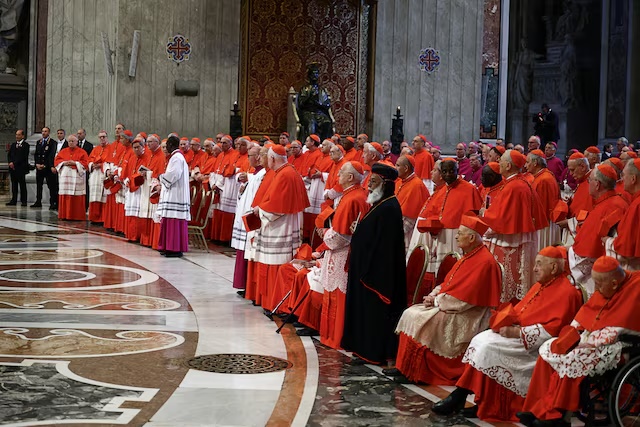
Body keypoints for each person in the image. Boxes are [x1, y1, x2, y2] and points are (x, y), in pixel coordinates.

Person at [433, 246, 583, 422]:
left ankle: (462, 397)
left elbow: (554, 331)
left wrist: (516, 332)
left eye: (539, 265)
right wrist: (503, 321)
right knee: (479, 340)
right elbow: (521, 312)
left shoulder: (568, 293)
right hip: (518, 337)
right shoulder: (538, 286)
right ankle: (479, 401)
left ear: (554, 268)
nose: (534, 269)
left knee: (488, 348)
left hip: (534, 347)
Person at [518, 256, 640, 427]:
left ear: (614, 284)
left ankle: (559, 417)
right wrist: (572, 333)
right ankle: (536, 408)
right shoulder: (607, 285)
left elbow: (623, 327)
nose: (595, 289)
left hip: (617, 345)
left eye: (598, 285)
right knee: (550, 349)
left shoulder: (636, 288)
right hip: (592, 339)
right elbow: (587, 313)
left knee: (574, 356)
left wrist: (588, 342)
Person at [389, 213, 502, 384]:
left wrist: (435, 301)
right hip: (450, 305)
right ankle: (405, 368)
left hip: (468, 313)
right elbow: (448, 283)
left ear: (471, 237)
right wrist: (433, 295)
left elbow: (466, 300)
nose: (456, 236)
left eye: (460, 233)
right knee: (411, 313)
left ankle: (419, 373)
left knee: (419, 318)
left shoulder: (485, 262)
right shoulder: (468, 256)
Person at [341, 163, 407, 365]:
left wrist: (359, 232)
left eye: (374, 182)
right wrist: (359, 229)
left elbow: (383, 246)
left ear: (386, 185)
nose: (369, 186)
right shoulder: (380, 204)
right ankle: (362, 349)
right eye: (370, 181)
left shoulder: (389, 208)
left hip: (377, 276)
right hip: (365, 269)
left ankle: (372, 352)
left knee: (373, 314)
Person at [313, 161, 369, 344]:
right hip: (339, 254)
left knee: (338, 298)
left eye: (341, 173)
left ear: (351, 177)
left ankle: (335, 337)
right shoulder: (351, 195)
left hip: (342, 255)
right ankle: (329, 335)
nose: (337, 176)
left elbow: (341, 237)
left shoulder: (353, 198)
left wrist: (325, 234)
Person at [483, 150, 548, 302]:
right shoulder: (518, 182)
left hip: (512, 241)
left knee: (509, 284)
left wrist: (485, 221)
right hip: (516, 238)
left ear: (507, 165)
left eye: (501, 161)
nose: (498, 164)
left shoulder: (515, 186)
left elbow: (503, 220)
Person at [252, 144, 310, 311]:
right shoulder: (288, 171)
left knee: (277, 263)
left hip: (280, 227)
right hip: (287, 224)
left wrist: (259, 210)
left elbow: (276, 207)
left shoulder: (284, 175)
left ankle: (276, 304)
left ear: (271, 158)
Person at [568, 164, 629, 295]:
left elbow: (586, 253)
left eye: (589, 180)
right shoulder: (613, 202)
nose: (588, 183)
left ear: (597, 184)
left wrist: (568, 253)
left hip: (599, 274)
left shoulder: (611, 206)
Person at [231, 145, 264, 294]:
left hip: (252, 219)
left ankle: (248, 287)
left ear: (258, 157)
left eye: (250, 155)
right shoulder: (254, 174)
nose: (248, 158)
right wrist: (241, 192)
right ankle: (243, 285)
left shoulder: (261, 174)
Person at [156, 135, 190, 257]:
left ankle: (174, 248)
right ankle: (168, 247)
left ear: (171, 145)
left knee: (173, 221)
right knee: (170, 221)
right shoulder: (177, 157)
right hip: (175, 193)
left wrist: (161, 177)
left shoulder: (176, 158)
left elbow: (173, 175)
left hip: (176, 195)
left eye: (167, 146)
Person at [605, 158, 640, 270]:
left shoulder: (637, 205)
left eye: (624, 175)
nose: (622, 179)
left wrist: (607, 241)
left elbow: (627, 248)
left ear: (633, 178)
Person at [526, 149, 561, 249]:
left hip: (544, 226)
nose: (525, 165)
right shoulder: (542, 176)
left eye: (528, 162)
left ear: (535, 163)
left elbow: (542, 208)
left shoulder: (544, 179)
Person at [395, 155, 429, 250]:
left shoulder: (416, 185)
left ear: (406, 168)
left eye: (398, 165)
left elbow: (410, 217)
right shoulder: (399, 182)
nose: (395, 168)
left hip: (406, 232)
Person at [54, 134, 89, 220]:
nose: (71, 143)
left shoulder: (82, 152)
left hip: (76, 177)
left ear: (77, 142)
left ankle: (76, 216)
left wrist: (75, 163)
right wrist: (64, 163)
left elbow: (85, 163)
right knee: (65, 195)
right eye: (69, 141)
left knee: (76, 196)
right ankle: (64, 215)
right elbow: (57, 161)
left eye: (73, 141)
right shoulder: (63, 151)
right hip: (65, 177)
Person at [297, 62, 333, 141]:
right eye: (313, 74)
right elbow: (301, 104)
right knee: (311, 123)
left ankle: (324, 143)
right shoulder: (304, 89)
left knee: (326, 121)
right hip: (308, 112)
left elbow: (327, 105)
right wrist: (310, 96)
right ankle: (311, 143)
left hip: (319, 112)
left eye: (316, 74)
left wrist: (319, 104)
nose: (315, 76)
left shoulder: (321, 90)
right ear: (309, 76)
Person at [87, 130, 110, 223]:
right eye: (100, 137)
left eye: (103, 137)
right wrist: (92, 165)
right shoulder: (95, 149)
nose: (102, 139)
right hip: (95, 175)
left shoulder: (111, 148)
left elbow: (111, 162)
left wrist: (101, 165)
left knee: (103, 196)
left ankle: (102, 218)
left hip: (103, 174)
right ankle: (94, 217)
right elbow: (89, 160)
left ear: (107, 137)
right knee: (94, 196)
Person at [32, 126, 54, 208]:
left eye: (45, 131)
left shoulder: (52, 142)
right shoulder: (39, 142)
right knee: (39, 185)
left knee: (51, 185)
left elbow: (51, 155)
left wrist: (45, 165)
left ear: (48, 133)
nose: (43, 133)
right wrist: (37, 164)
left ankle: (52, 202)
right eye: (42, 131)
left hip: (47, 168)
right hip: (39, 167)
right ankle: (38, 201)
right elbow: (36, 154)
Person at [6, 129, 29, 206]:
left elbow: (22, 157)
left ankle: (24, 201)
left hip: (20, 168)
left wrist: (14, 163)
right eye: (16, 134)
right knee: (14, 185)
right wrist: (10, 162)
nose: (17, 136)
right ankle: (14, 200)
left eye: (19, 135)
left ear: (22, 136)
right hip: (13, 169)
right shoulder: (13, 145)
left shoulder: (26, 145)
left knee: (22, 185)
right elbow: (9, 155)